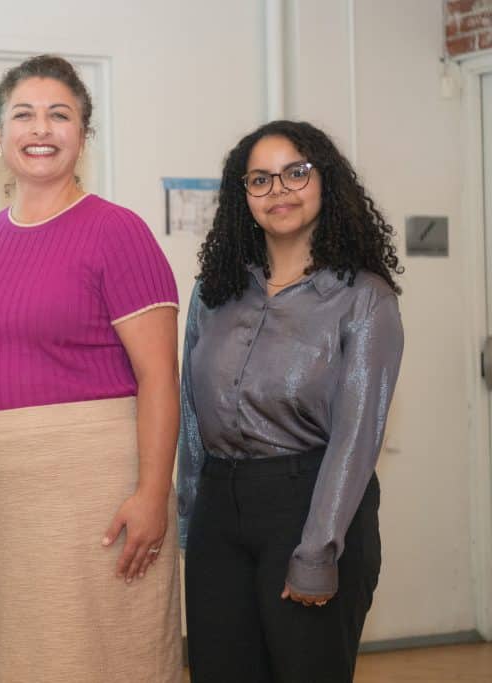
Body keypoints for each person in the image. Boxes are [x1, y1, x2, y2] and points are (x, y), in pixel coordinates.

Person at [0, 54, 183, 682]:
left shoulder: (118, 232)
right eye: (23, 115)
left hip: (101, 487)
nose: (41, 129)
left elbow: (161, 378)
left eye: (60, 115)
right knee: (24, 653)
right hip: (5, 491)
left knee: (114, 652)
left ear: (83, 135)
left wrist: (153, 494)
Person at [178, 119, 405, 682]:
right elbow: (189, 411)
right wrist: (189, 519)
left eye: (295, 173)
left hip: (310, 507)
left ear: (325, 182)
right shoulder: (214, 291)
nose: (278, 191)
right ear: (243, 196)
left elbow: (356, 440)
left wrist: (317, 550)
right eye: (260, 180)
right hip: (219, 513)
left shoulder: (364, 299)